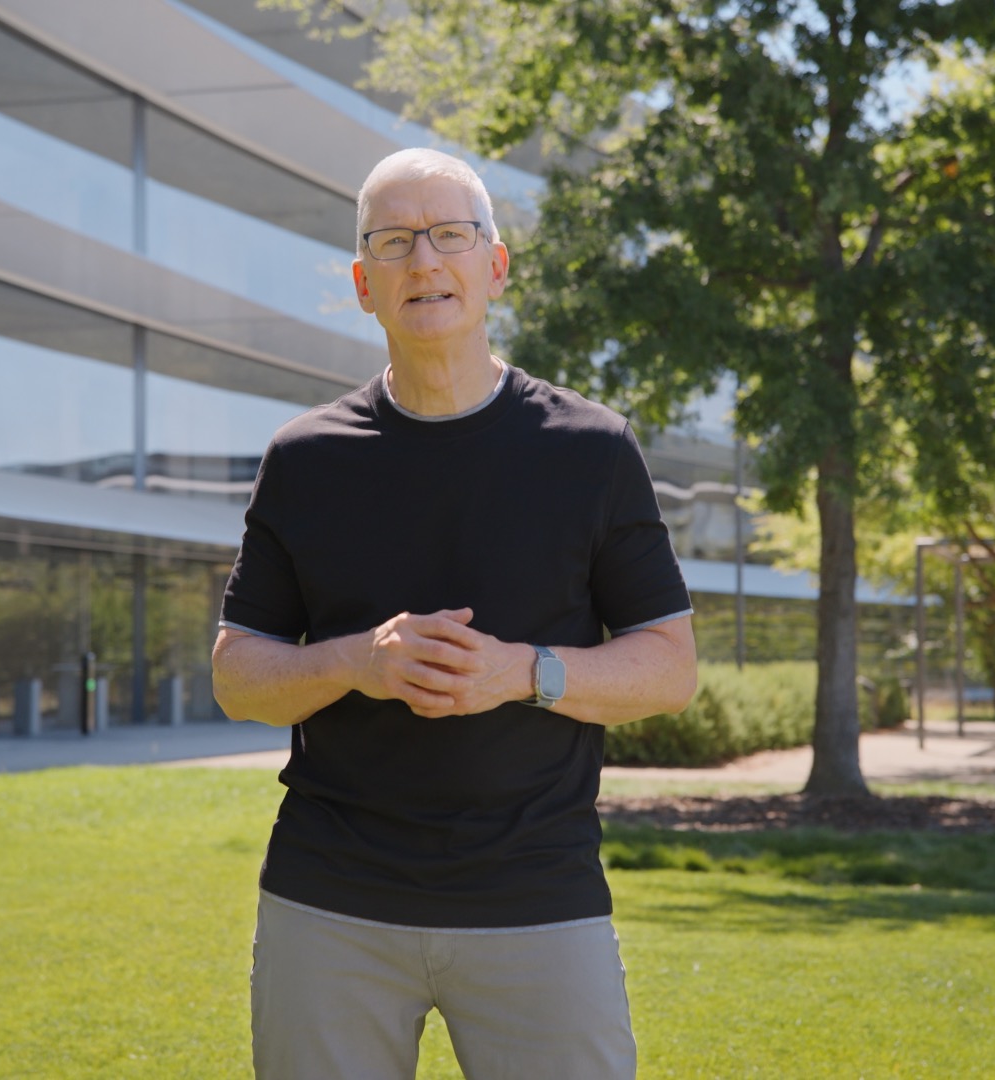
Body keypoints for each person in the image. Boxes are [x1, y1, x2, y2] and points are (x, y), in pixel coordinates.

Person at [211, 147, 698, 1080]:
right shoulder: (304, 459)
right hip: (331, 900)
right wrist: (357, 662)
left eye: (448, 236)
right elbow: (239, 675)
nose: (423, 262)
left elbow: (669, 667)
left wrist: (523, 672)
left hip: (540, 897)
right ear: (364, 284)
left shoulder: (591, 450)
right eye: (393, 243)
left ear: (495, 265)